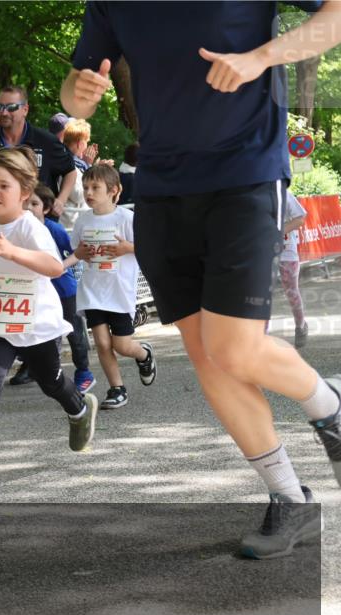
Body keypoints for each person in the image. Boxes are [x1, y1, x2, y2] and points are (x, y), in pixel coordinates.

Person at [62, 0, 341, 559]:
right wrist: (78, 94)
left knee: (234, 347)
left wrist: (262, 57)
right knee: (207, 355)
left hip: (245, 173)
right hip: (163, 188)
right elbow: (76, 84)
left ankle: (329, 406)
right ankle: (290, 498)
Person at [0, 147, 98, 497]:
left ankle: (79, 410)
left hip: (34, 321)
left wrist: (13, 252)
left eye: (3, 186)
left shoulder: (30, 227)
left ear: (25, 192)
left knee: (50, 381)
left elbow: (53, 267)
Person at [68, 164, 156, 409]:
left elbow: (150, 247)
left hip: (119, 292)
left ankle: (143, 354)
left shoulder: (126, 218)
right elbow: (77, 249)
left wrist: (127, 248)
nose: (89, 192)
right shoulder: (82, 220)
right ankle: (117, 389)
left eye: (95, 187)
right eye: (86, 187)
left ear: (114, 190)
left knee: (122, 345)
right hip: (92, 290)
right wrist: (79, 253)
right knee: (103, 344)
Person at [0, 86, 78, 220]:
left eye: (11, 107)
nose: (4, 112)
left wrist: (62, 199)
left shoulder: (46, 141)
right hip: (1, 225)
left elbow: (70, 171)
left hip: (42, 223)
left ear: (25, 109)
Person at [27, 184, 96, 393]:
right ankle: (44, 373)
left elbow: (74, 255)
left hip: (64, 289)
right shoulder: (20, 228)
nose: (28, 208)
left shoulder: (53, 229)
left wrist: (55, 269)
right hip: (38, 291)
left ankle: (84, 372)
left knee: (74, 333)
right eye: (25, 203)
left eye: (34, 204)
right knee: (43, 333)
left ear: (46, 208)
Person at [279, 190, 309, 348]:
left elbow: (300, 218)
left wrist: (278, 232)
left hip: (286, 250)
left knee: (291, 291)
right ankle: (259, 337)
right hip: (261, 250)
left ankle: (300, 326)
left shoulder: (283, 193)